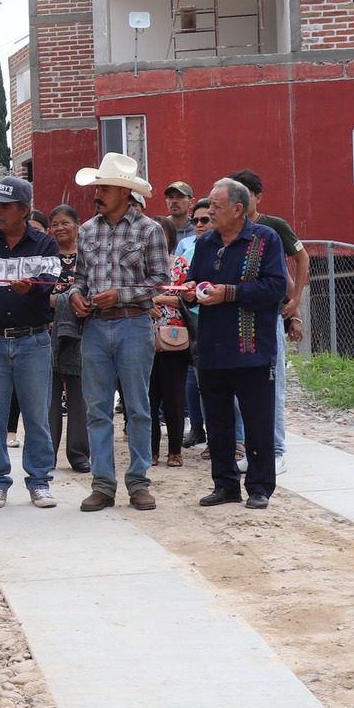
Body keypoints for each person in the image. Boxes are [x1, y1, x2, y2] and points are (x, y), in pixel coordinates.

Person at [71, 153, 169, 512]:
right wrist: (76, 296)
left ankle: (139, 482)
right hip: (95, 326)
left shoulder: (149, 230)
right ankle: (103, 484)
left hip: (133, 323)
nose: (98, 192)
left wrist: (122, 295)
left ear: (126, 192)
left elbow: (162, 279)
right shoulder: (87, 230)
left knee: (138, 408)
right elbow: (79, 278)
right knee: (97, 410)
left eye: (105, 187)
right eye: (98, 186)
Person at [188, 178, 288, 510]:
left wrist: (228, 293)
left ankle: (259, 487)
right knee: (217, 422)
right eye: (208, 205)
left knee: (258, 421)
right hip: (212, 347)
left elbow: (275, 288)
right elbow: (196, 282)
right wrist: (188, 291)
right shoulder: (204, 244)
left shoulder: (266, 239)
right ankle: (225, 484)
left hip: (251, 349)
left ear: (238, 209)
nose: (209, 211)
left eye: (216, 206)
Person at [0, 176, 60, 510]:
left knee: (36, 416)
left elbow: (51, 281)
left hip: (34, 341)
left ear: (24, 210)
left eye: (5, 206)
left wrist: (31, 288)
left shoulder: (45, 245)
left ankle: (39, 482)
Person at [231, 169, 310, 474]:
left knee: (271, 385)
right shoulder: (230, 228)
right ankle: (252, 448)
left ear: (257, 197)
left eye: (246, 193)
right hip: (235, 318)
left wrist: (296, 302)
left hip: (267, 317)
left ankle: (276, 450)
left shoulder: (274, 227)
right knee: (240, 390)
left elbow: (301, 259)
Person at [45, 205, 90, 473]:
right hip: (46, 331)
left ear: (77, 224)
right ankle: (46, 453)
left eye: (65, 223)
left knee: (80, 394)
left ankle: (79, 453)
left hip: (83, 329)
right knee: (47, 395)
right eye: (55, 224)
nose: (60, 228)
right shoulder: (45, 256)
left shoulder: (87, 257)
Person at [148, 216, 194, 469]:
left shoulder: (181, 265)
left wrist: (154, 300)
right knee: (148, 397)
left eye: (160, 233)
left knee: (174, 396)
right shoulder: (139, 266)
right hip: (142, 338)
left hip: (174, 340)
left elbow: (187, 299)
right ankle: (151, 450)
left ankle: (175, 450)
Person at [183, 198, 213, 449]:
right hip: (193, 320)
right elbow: (183, 285)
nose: (199, 225)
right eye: (195, 221)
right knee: (194, 378)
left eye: (205, 220)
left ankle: (226, 437)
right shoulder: (190, 250)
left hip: (219, 322)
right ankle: (196, 427)